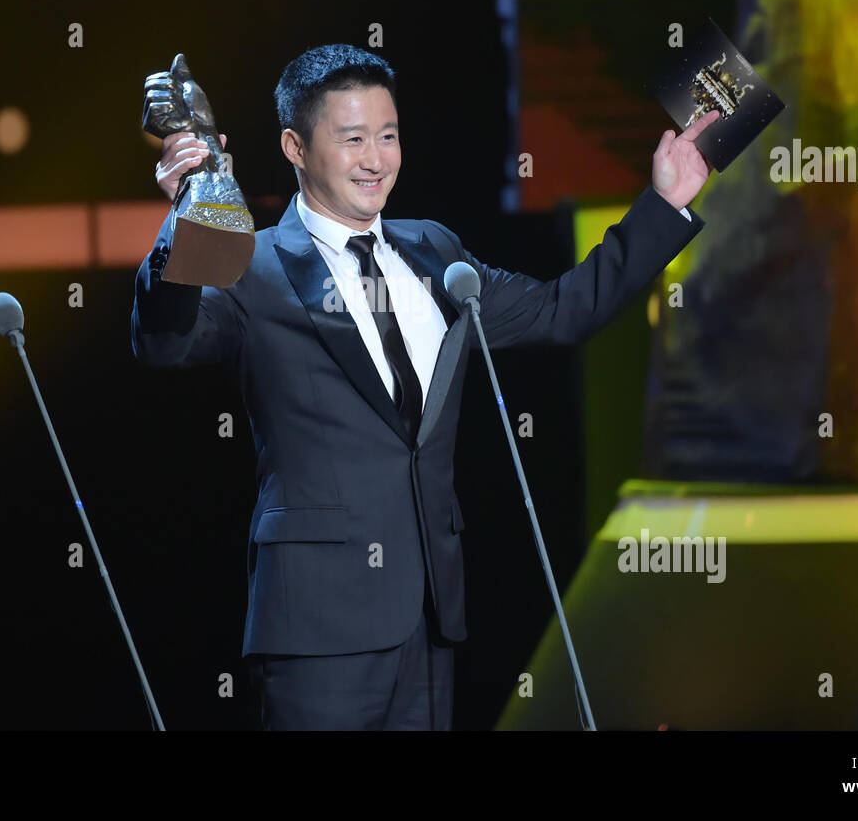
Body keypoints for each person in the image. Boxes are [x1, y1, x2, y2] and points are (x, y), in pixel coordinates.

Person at [131, 43, 717, 730]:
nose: (375, 159)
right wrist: (191, 211)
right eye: (352, 139)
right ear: (295, 146)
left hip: (430, 622)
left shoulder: (435, 253)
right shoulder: (252, 265)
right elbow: (164, 342)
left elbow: (563, 311)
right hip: (317, 632)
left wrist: (665, 203)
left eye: (388, 136)